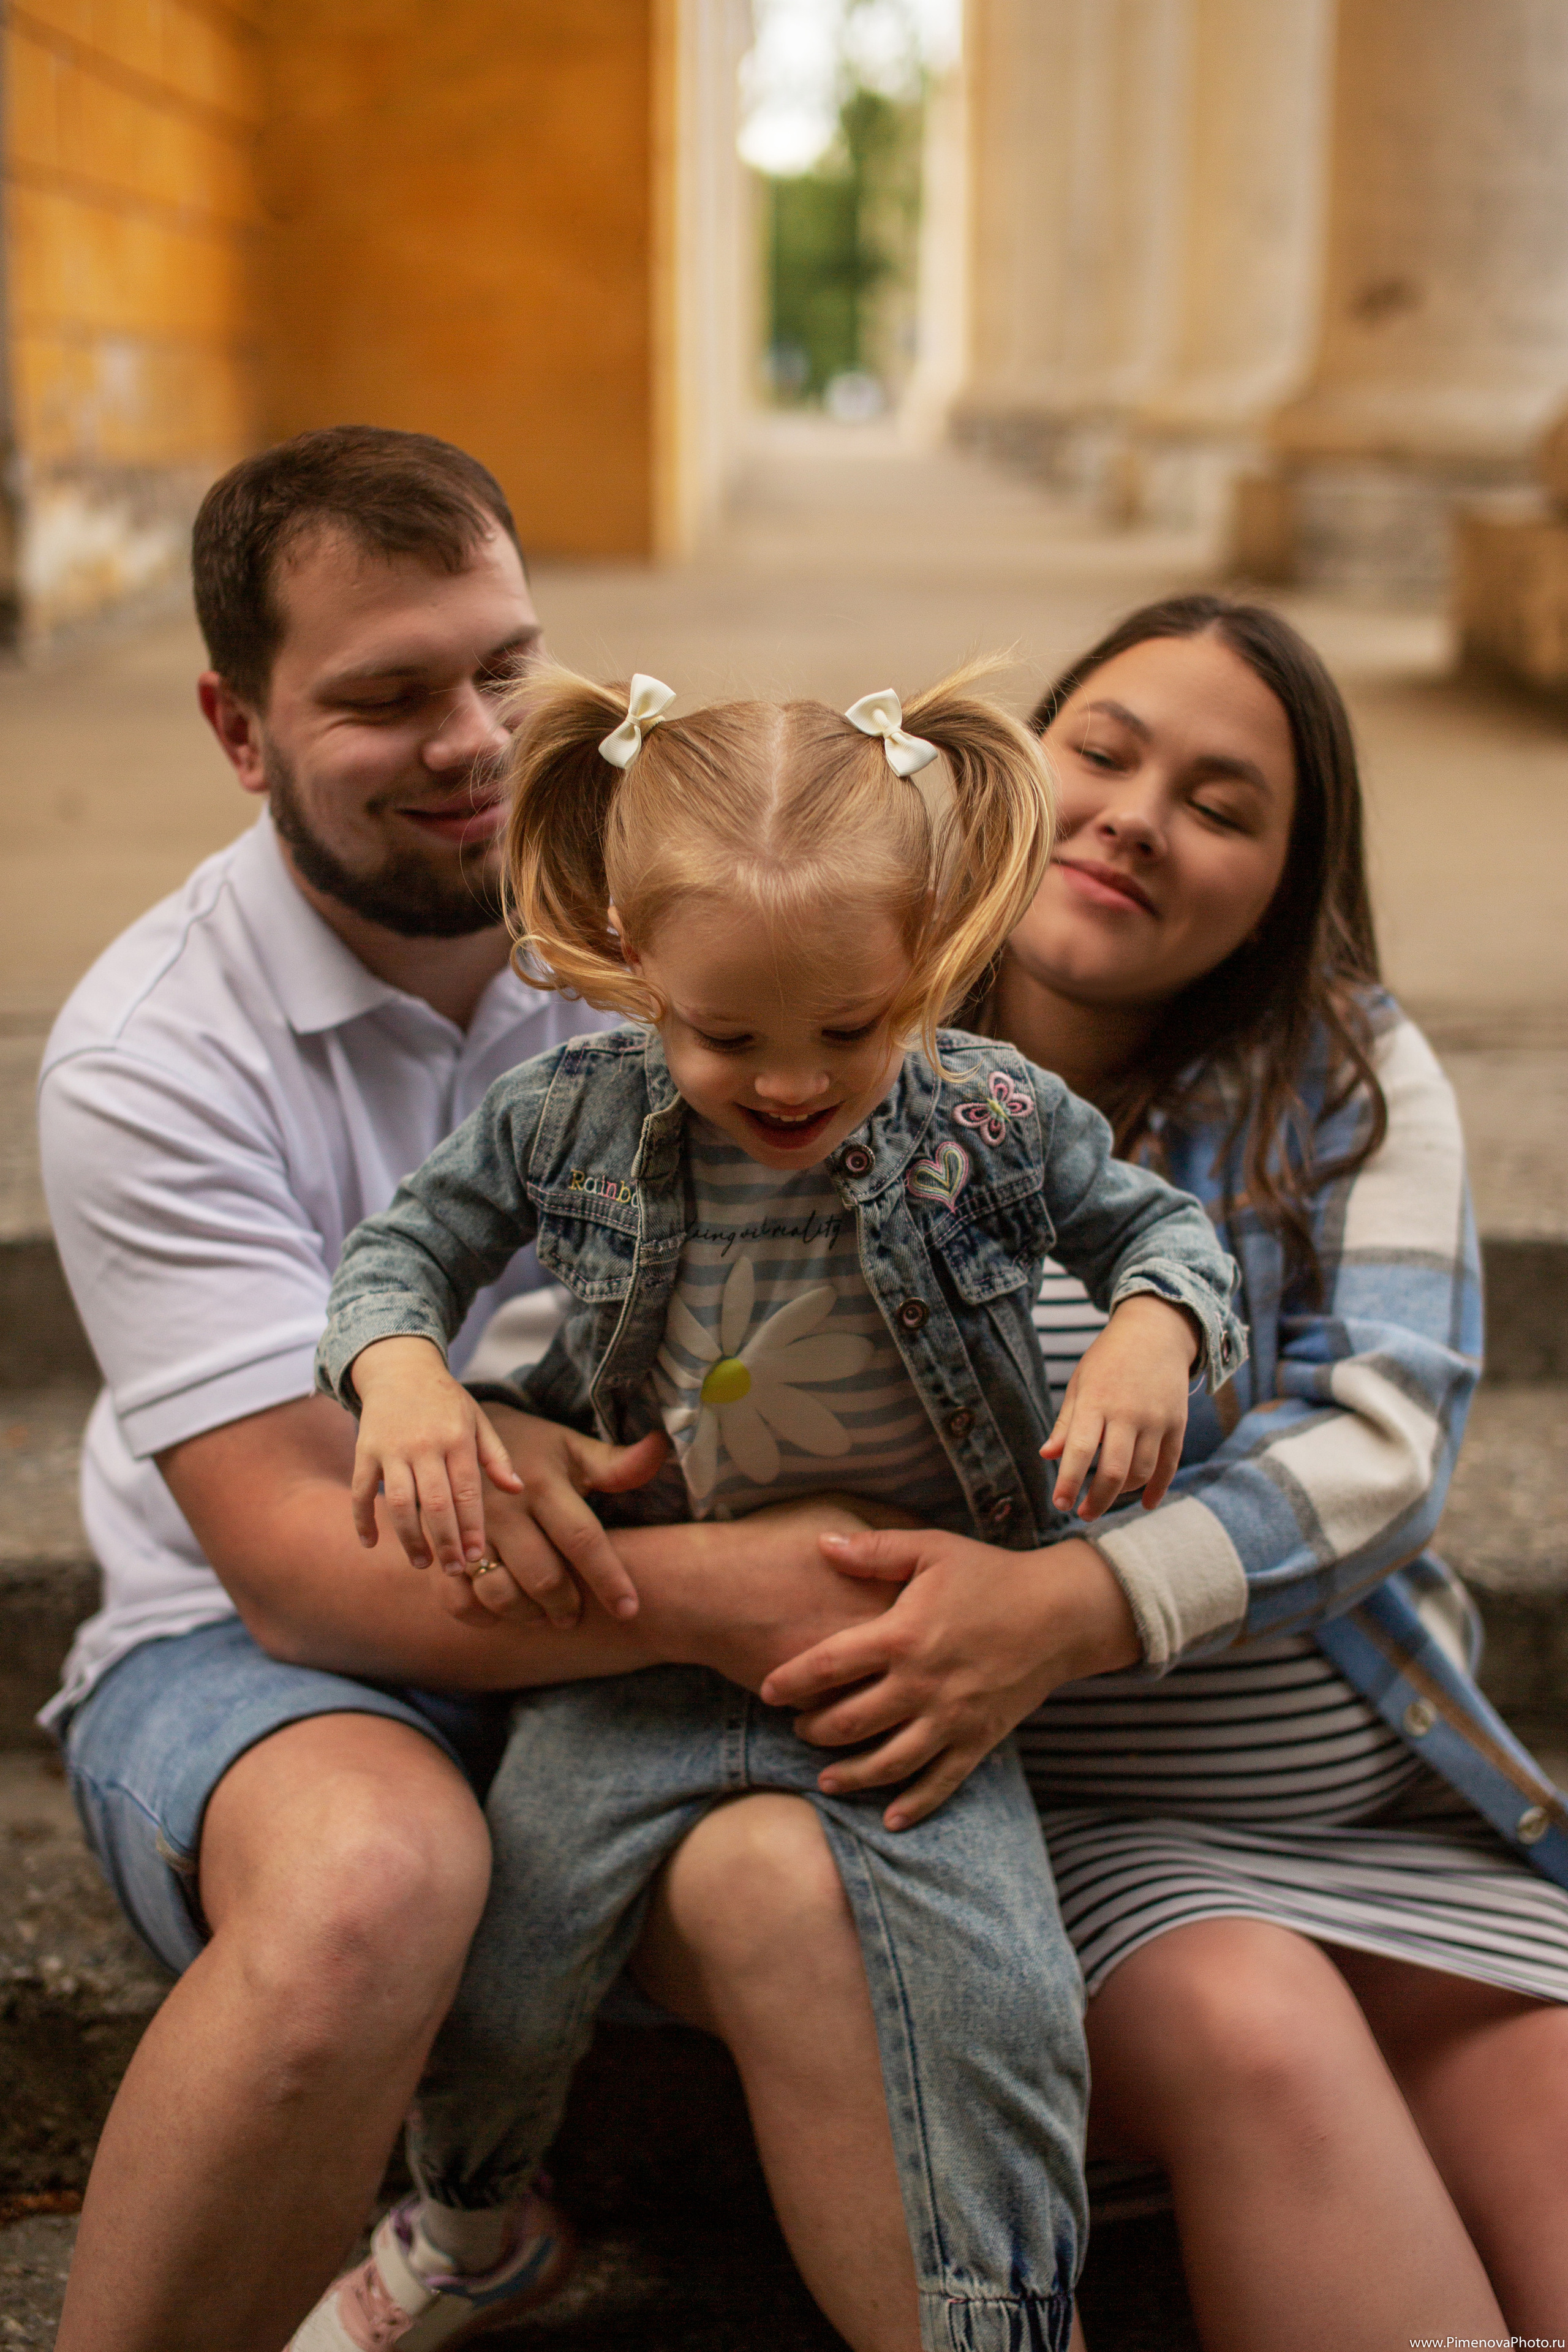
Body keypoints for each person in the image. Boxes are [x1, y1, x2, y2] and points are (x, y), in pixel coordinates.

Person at [39, 428, 918, 2352]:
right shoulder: (151, 1054)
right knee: (374, 1882)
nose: (473, 740)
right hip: (262, 1662)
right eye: (385, 697)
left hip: (618, 1636)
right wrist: (734, 1592)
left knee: (818, 1895)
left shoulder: (678, 932)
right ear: (240, 729)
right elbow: (297, 1557)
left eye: (504, 666)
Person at [630, 596, 1568, 2350]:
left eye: (1221, 806)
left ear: (1283, 882)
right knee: (1253, 2017)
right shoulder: (809, 1026)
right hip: (1050, 1847)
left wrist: (1075, 1603)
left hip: (1381, 1829)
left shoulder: (1341, 1071)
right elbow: (604, 1339)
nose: (1140, 817)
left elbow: (1385, 1440)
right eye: (1106, 754)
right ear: (1008, 777)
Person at [292, 657, 1245, 2352]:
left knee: (1006, 2000)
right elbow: (398, 1256)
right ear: (631, 958)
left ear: (926, 952)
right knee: (510, 1965)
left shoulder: (994, 1117)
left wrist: (1150, 1335)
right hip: (641, 1651)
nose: (792, 1083)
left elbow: (1161, 1235)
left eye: (851, 1031)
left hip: (897, 1670)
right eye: (728, 1037)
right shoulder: (568, 1118)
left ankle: (1004, 2322)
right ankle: (468, 2221)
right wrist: (407, 1377)